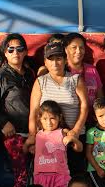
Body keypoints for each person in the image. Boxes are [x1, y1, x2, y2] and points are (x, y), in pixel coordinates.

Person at [28, 40, 89, 178]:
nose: (55, 63)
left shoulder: (75, 80)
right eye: (51, 59)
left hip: (72, 139)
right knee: (50, 179)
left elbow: (84, 106)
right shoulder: (40, 82)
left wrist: (75, 131)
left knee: (75, 179)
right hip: (48, 141)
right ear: (45, 62)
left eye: (59, 59)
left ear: (65, 60)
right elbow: (34, 112)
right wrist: (33, 138)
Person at [0, 34, 36, 187]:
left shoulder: (30, 74)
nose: (16, 52)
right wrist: (3, 122)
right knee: (18, 178)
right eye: (11, 49)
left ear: (26, 52)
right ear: (5, 53)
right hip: (12, 137)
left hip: (32, 135)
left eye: (20, 49)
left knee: (31, 177)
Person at [32, 100, 82, 187]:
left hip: (60, 175)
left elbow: (80, 148)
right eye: (45, 119)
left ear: (59, 117)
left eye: (52, 118)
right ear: (40, 119)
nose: (49, 122)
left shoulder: (63, 132)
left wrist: (73, 139)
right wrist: (28, 146)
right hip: (41, 175)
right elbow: (27, 149)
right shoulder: (37, 134)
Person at [64, 33, 103, 113]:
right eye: (74, 47)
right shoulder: (61, 70)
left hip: (92, 118)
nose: (78, 51)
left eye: (81, 47)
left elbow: (100, 97)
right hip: (70, 118)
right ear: (66, 49)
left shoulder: (92, 69)